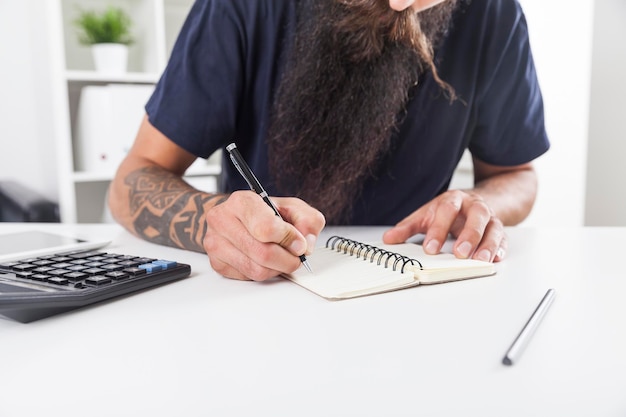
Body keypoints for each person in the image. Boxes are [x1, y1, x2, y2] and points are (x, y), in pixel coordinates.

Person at [108, 0, 550, 281]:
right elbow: (133, 178)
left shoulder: (495, 14)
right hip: (260, 298)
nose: (400, 3)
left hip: (415, 281)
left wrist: (476, 200)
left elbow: (517, 174)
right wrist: (210, 219)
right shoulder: (239, 7)